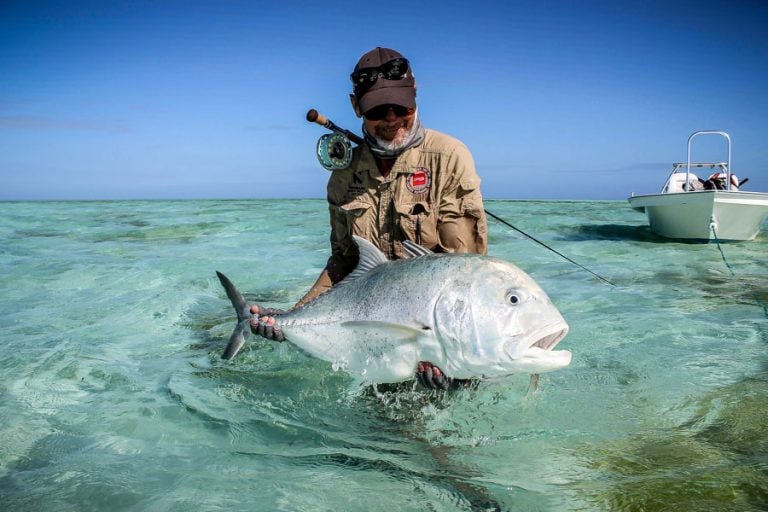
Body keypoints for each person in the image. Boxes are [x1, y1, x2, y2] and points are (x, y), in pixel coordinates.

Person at [251, 47, 488, 389]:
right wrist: (291, 316)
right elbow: (344, 261)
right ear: (355, 107)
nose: (391, 119)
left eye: (401, 107)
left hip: (437, 338)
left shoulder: (450, 157)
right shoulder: (345, 173)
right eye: (378, 109)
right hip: (374, 341)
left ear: (416, 92)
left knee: (434, 440)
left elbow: (466, 273)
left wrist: (452, 360)